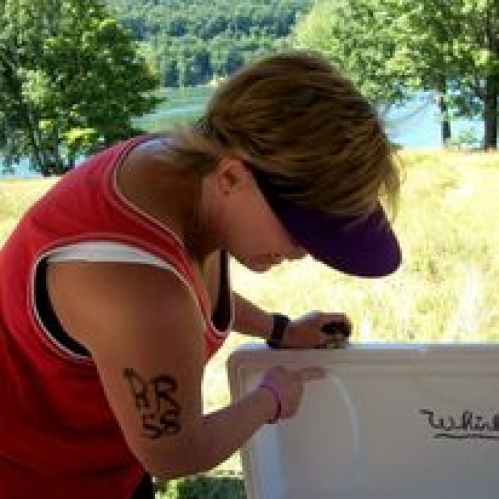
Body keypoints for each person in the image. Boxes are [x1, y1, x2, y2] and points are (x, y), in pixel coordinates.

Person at [0, 49, 401, 498]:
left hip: (101, 457)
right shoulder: (138, 292)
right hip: (38, 478)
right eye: (300, 232)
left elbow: (191, 298)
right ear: (231, 178)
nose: (304, 252)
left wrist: (280, 330)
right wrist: (271, 397)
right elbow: (174, 454)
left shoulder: (190, 168)